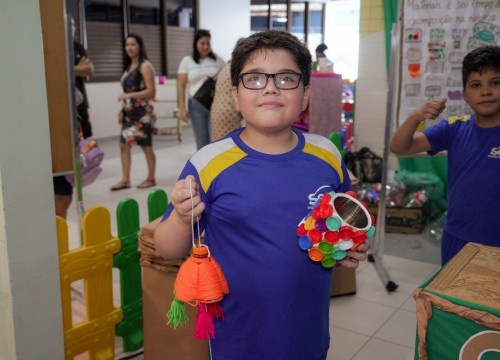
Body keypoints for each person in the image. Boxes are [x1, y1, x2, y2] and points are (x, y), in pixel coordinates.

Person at [154, 30, 370, 359]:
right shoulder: (208, 164)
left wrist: (349, 249)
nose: (270, 87)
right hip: (236, 339)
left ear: (306, 94)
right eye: (255, 78)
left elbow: (344, 229)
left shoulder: (327, 156)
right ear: (236, 95)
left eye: (286, 78)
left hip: (307, 335)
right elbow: (166, 249)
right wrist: (184, 217)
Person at [390, 45, 500, 265]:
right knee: (452, 300)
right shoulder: (454, 129)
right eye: (476, 85)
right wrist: (415, 117)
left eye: (495, 83)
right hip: (457, 239)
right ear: (465, 95)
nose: (486, 91)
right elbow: (399, 147)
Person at [111, 33, 157, 191]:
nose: (129, 48)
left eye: (133, 44)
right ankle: (125, 180)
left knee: (146, 145)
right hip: (129, 112)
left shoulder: (145, 66)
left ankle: (151, 178)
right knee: (123, 145)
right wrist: (123, 109)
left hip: (142, 112)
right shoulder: (129, 66)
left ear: (140, 47)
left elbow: (151, 91)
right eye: (127, 45)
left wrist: (128, 96)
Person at [177, 29, 225, 149]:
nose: (205, 46)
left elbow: (227, 78)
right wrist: (182, 109)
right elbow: (181, 86)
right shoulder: (187, 61)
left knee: (215, 141)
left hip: (215, 104)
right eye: (202, 43)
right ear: (196, 44)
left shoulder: (217, 60)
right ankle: (203, 167)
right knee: (202, 143)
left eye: (208, 43)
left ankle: (216, 167)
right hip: (196, 104)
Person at [72, 17, 94, 139]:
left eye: (73, 24)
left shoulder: (77, 46)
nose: (71, 27)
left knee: (86, 143)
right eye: (69, 24)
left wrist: (70, 69)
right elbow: (57, 72)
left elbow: (89, 70)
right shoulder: (57, 47)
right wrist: (77, 69)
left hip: (82, 104)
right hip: (66, 104)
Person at [209, 61, 243, 141]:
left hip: (216, 110)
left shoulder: (226, 67)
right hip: (230, 112)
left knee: (219, 142)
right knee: (231, 143)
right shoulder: (238, 68)